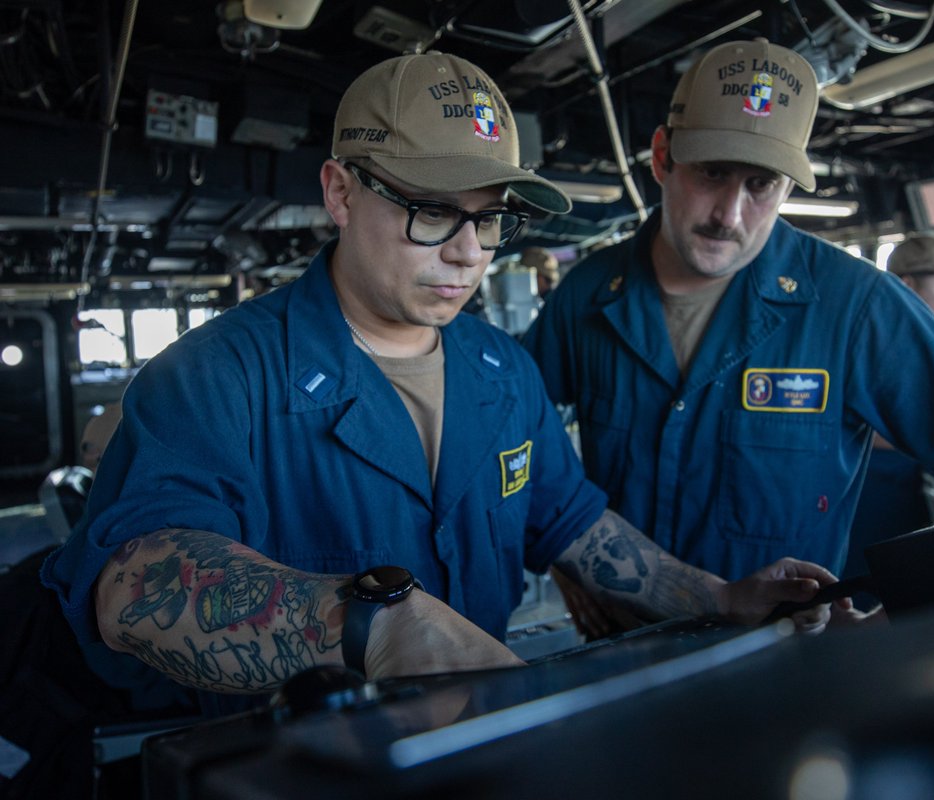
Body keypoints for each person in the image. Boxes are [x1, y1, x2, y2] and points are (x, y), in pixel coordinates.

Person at [40, 52, 841, 718]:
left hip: (473, 755)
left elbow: (575, 526)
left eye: (491, 218)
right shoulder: (216, 376)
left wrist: (721, 596)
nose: (468, 252)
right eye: (432, 210)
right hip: (297, 764)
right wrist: (371, 627)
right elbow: (136, 585)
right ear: (341, 192)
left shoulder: (501, 370)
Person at [523, 39, 934, 634]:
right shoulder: (586, 297)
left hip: (776, 665)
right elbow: (512, 439)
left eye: (761, 185)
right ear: (662, 157)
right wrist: (567, 556)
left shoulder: (855, 305)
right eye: (712, 172)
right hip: (615, 654)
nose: (728, 214)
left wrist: (887, 633)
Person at [841, 235, 934, 586]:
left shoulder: (931, 335)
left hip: (909, 483)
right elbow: (853, 426)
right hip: (873, 490)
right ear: (906, 285)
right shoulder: (872, 338)